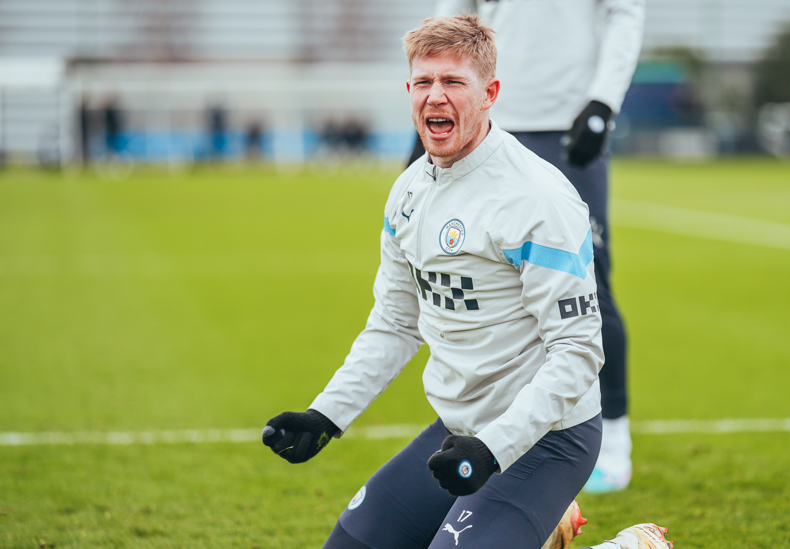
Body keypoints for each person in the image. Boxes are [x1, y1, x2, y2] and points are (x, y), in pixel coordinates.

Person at [263, 14, 667, 549]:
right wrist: (326, 413)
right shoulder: (407, 192)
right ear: (408, 91)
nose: (436, 96)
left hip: (550, 438)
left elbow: (578, 352)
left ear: (490, 93)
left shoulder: (539, 199)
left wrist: (494, 449)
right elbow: (394, 323)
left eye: (453, 82)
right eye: (424, 82)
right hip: (462, 432)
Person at [410, 0, 646, 493]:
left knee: (587, 284)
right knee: (474, 280)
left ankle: (614, 442)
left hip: (570, 122)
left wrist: (603, 100)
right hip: (489, 117)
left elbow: (625, 13)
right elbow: (451, 17)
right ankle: (501, 431)